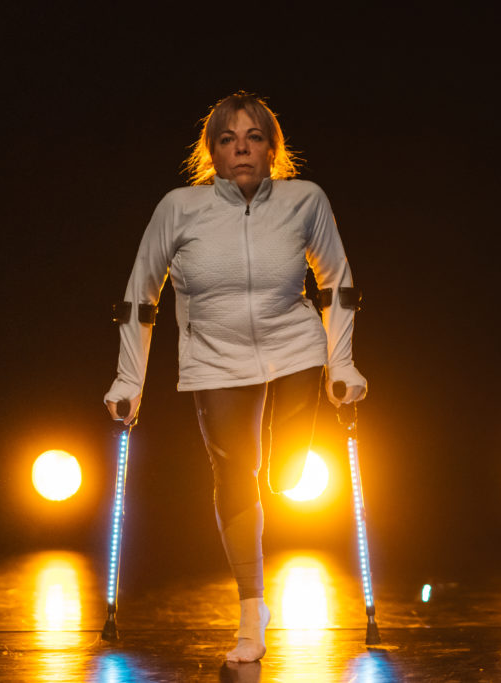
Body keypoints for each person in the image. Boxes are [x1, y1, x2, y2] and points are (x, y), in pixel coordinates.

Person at [104, 91, 366, 662]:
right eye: (227, 139)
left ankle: (288, 468)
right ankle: (253, 610)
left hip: (294, 347)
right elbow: (138, 296)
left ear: (273, 149)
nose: (241, 148)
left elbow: (338, 283)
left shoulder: (306, 200)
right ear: (212, 154)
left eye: (253, 138)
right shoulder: (178, 207)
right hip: (214, 358)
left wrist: (341, 364)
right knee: (234, 475)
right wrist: (130, 381)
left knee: (289, 471)